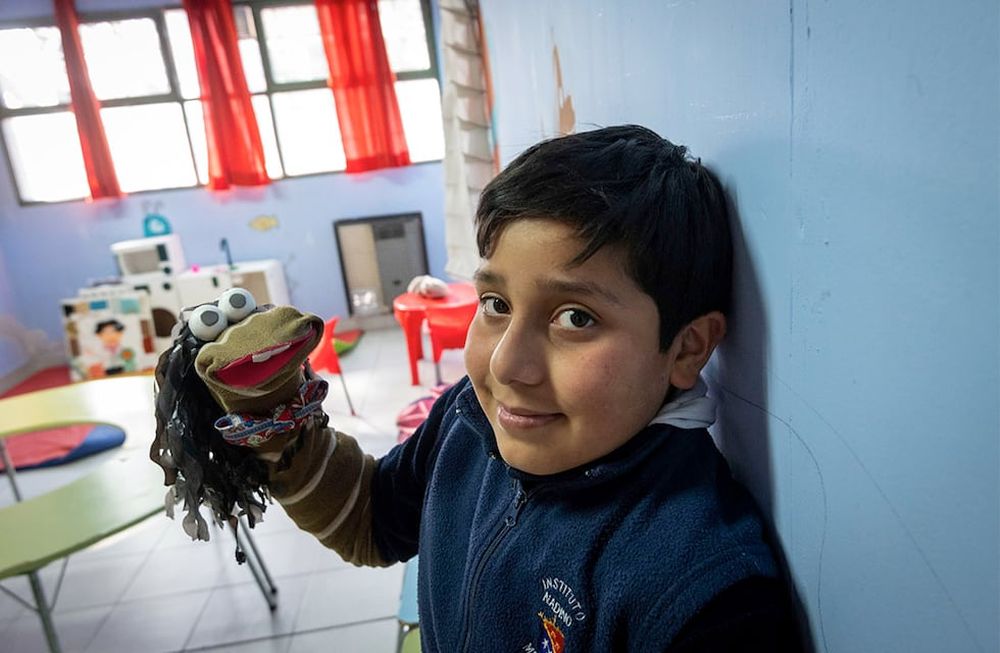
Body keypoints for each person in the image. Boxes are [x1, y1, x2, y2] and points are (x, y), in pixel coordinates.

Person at [248, 125, 805, 650]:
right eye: (496, 305)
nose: (506, 366)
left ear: (687, 348)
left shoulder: (704, 594)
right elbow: (372, 521)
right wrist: (276, 416)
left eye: (576, 318)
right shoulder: (470, 418)